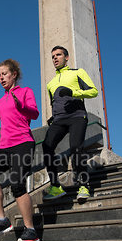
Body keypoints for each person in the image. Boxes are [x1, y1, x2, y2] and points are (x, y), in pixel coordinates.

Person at [0, 59, 40, 241]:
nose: (1, 78)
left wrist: (20, 105)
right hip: (5, 146)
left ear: (14, 74)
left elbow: (34, 114)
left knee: (17, 184)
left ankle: (30, 230)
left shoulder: (25, 92)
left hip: (23, 142)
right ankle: (2, 220)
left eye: (4, 74)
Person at [42, 46, 98, 201]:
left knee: (75, 147)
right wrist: (53, 116)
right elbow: (54, 103)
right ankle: (55, 186)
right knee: (46, 146)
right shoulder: (50, 84)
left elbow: (94, 91)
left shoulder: (77, 72)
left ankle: (83, 185)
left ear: (66, 57)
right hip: (59, 120)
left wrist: (73, 92)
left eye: (58, 55)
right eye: (53, 56)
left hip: (77, 116)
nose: (55, 58)